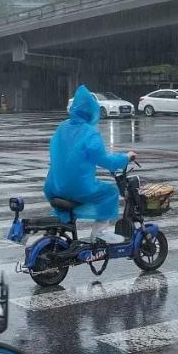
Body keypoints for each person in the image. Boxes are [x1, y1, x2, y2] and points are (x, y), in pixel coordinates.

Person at [43, 85, 136, 243]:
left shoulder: (62, 127)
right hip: (78, 188)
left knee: (65, 210)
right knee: (110, 192)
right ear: (92, 111)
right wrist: (125, 157)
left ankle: (59, 230)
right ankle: (99, 233)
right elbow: (105, 160)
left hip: (54, 186)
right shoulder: (90, 132)